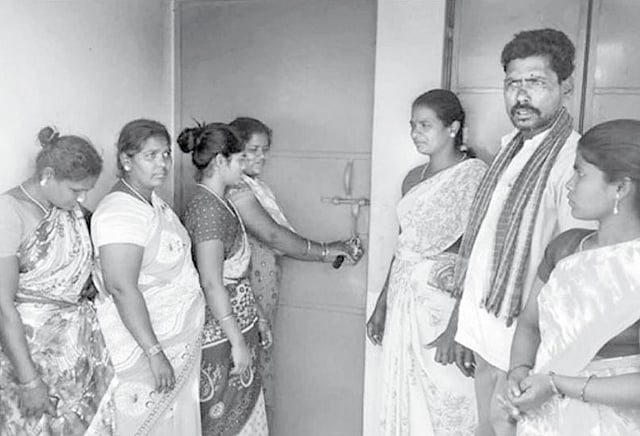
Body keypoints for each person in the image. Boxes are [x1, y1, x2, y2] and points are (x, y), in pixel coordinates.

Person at [436, 28, 594, 436]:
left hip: (528, 350)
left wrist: (541, 363)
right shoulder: (510, 149)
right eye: (512, 84)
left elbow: (572, 272)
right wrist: (462, 325)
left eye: (536, 82)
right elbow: (484, 248)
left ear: (566, 87)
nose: (521, 96)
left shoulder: (571, 163)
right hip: (486, 335)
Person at [505, 119, 640, 435]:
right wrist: (518, 373)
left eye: (580, 173)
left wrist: (556, 384)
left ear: (620, 188)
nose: (569, 184)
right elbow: (529, 325)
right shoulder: (565, 247)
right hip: (545, 422)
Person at [365, 89, 487, 435]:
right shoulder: (412, 178)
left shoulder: (475, 176)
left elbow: (478, 255)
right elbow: (403, 247)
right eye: (412, 125)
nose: (415, 133)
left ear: (453, 127)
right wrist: (382, 305)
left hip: (441, 305)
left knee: (449, 399)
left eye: (425, 125)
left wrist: (457, 328)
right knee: (405, 394)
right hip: (403, 299)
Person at [226, 116, 360, 419]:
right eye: (254, 150)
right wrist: (325, 251)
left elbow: (279, 237)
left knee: (258, 363)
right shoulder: (234, 190)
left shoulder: (255, 187)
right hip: (243, 296)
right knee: (243, 369)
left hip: (261, 289)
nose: (262, 157)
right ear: (232, 150)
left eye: (265, 150)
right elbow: (274, 236)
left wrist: (326, 249)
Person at [91, 119, 206, 435]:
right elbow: (120, 288)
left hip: (174, 346)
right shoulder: (120, 213)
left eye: (166, 154)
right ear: (126, 160)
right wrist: (154, 353)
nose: (163, 163)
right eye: (150, 156)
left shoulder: (151, 201)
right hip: (144, 351)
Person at [0, 127, 112, 435]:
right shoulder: (8, 212)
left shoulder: (71, 210)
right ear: (48, 175)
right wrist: (29, 381)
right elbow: (2, 305)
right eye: (76, 190)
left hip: (76, 354)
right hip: (28, 357)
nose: (82, 198)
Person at [179, 122, 269, 435]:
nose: (244, 166)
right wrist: (237, 341)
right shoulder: (208, 209)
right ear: (220, 161)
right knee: (223, 418)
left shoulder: (220, 202)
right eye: (240, 159)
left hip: (235, 325)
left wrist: (256, 318)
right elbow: (211, 282)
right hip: (220, 335)